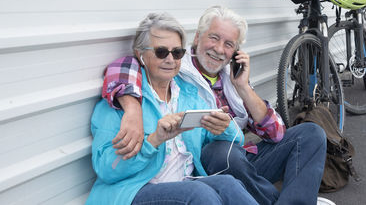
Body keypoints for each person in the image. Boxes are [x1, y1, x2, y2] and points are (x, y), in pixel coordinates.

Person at [102, 6, 327, 204]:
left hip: (242, 163)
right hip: (212, 163)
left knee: (311, 133)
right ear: (197, 37)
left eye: (229, 44)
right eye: (214, 38)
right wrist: (132, 108)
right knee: (221, 153)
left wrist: (244, 88)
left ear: (236, 52)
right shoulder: (176, 67)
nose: (219, 49)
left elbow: (276, 133)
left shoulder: (232, 78)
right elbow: (125, 65)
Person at [87, 13, 258, 205]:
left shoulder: (188, 95)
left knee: (229, 184)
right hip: (134, 192)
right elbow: (106, 169)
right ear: (140, 54)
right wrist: (153, 141)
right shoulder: (120, 104)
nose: (170, 59)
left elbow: (237, 138)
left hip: (184, 186)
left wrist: (225, 126)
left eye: (177, 53)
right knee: (199, 193)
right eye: (161, 52)